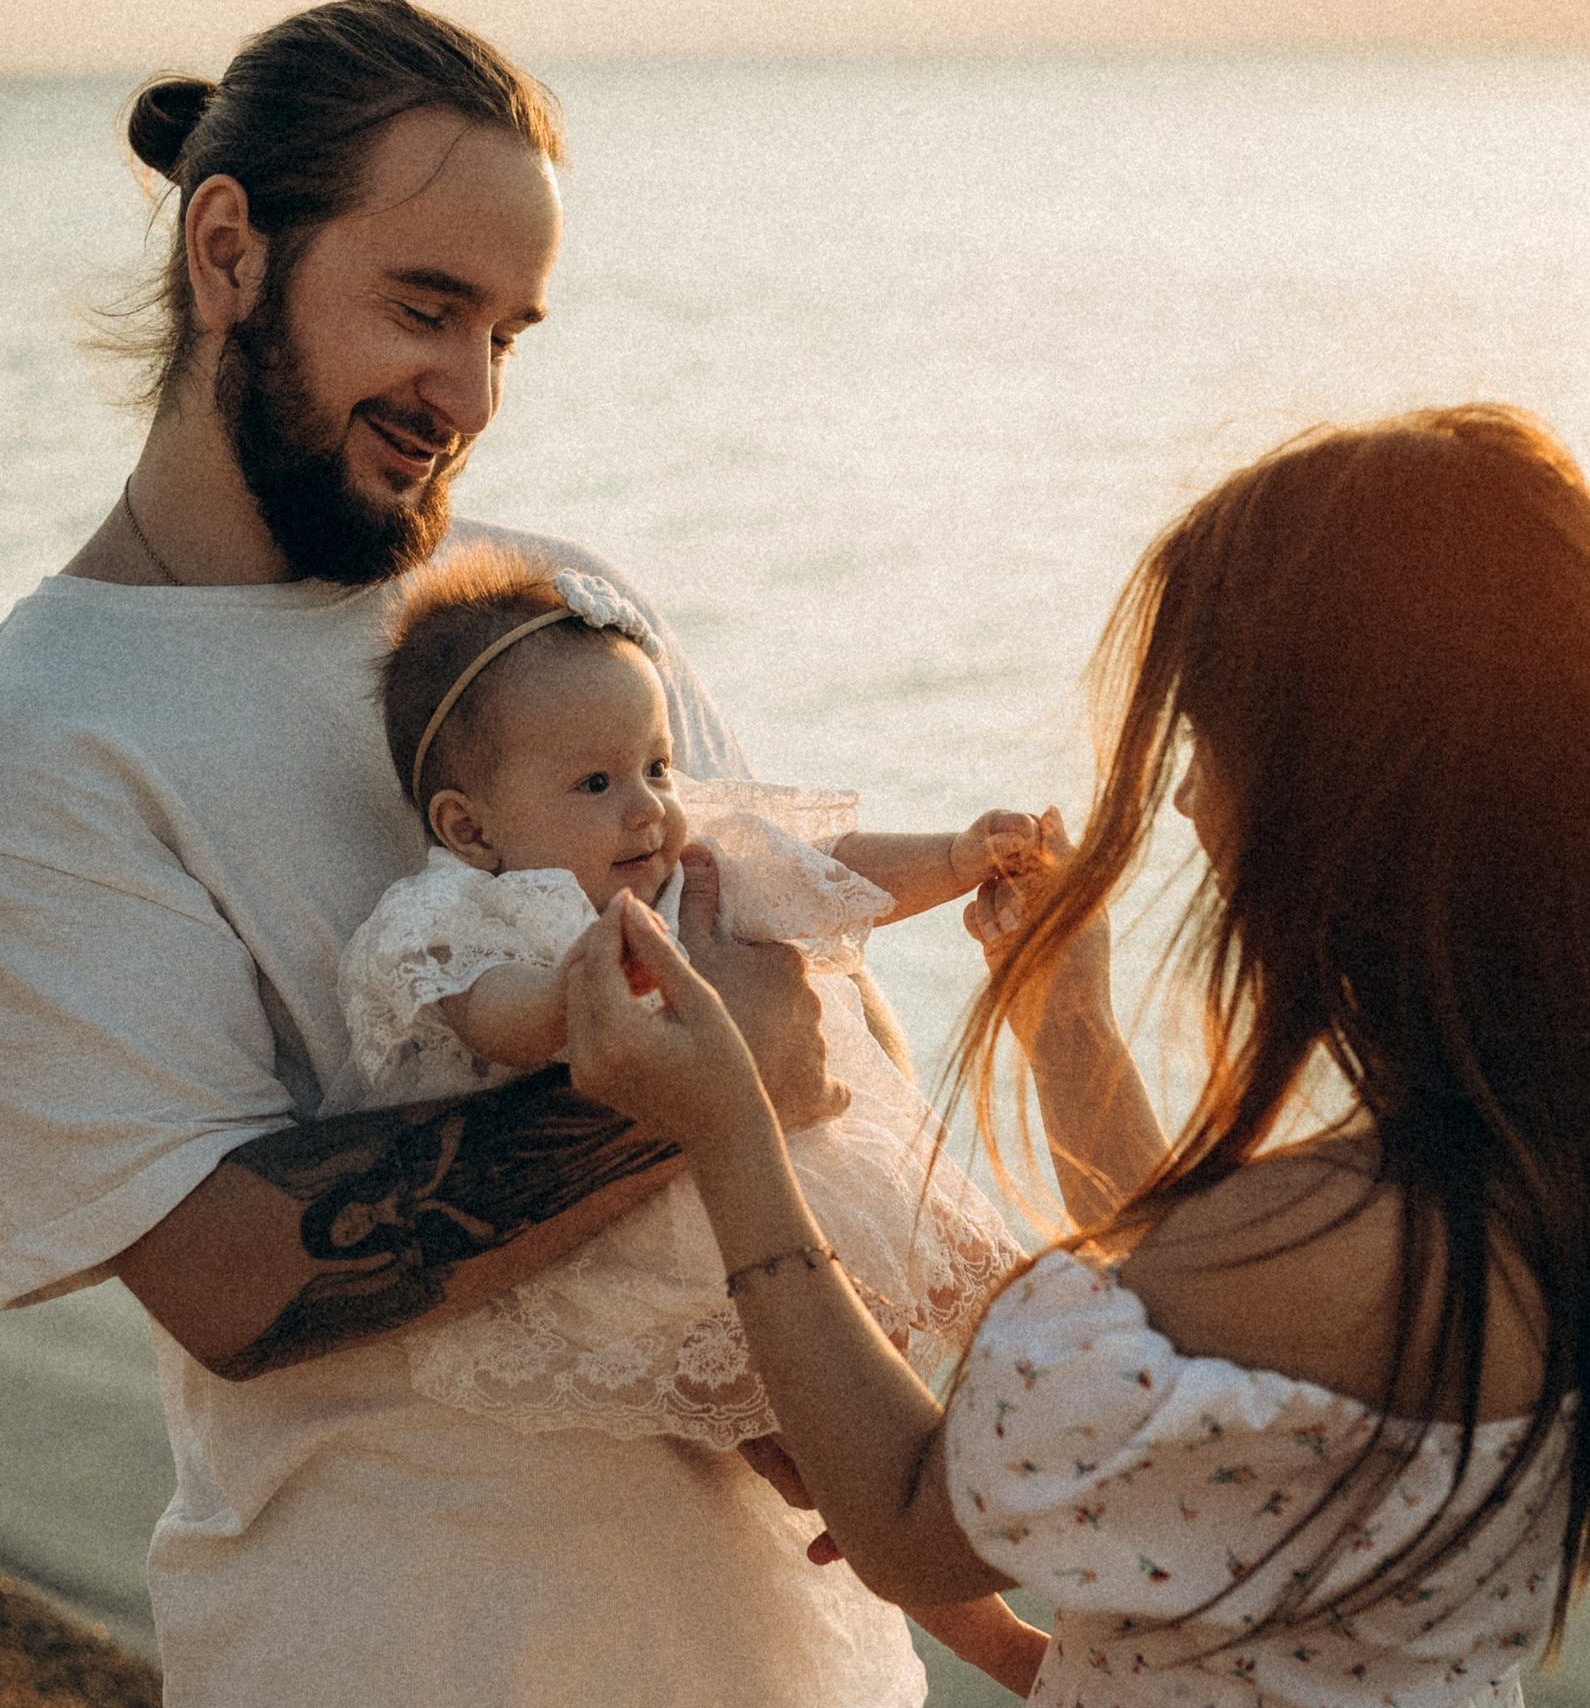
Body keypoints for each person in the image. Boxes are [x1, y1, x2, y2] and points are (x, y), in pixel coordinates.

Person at [0, 4, 1006, 1703]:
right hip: (399, 1651)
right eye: (424, 309)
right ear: (227, 251)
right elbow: (231, 1275)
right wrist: (714, 1073)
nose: (468, 394)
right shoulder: (33, 747)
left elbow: (782, 965)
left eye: (506, 331)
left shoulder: (548, 614)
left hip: (798, 1657)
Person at [561, 404, 1590, 1707]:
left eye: (1210, 744)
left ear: (1330, 798)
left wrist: (730, 1129)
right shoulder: (1519, 1183)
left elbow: (900, 1512)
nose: (1185, 802)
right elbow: (1233, 1363)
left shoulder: (1292, 1249)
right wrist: (1068, 1029)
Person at [331, 546, 1046, 1691]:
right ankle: (1011, 1644)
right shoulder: (451, 915)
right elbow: (493, 1012)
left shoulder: (683, 863)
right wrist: (581, 988)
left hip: (775, 1207)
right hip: (631, 1258)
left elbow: (829, 870)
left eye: (656, 764)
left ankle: (1052, 1601)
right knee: (834, 1454)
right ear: (469, 828)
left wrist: (959, 858)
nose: (650, 806)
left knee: (917, 1416)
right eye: (596, 784)